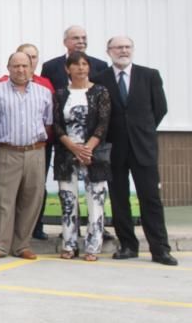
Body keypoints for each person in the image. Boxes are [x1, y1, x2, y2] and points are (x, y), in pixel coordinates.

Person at [94, 37, 177, 266]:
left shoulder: (149, 75)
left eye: (127, 47)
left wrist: (142, 131)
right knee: (119, 200)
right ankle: (128, 245)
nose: (123, 51)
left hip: (143, 148)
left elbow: (160, 108)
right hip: (114, 149)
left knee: (150, 199)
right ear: (109, 51)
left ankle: (160, 249)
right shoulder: (100, 79)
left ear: (132, 50)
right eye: (118, 47)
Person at [0, 52, 53, 260]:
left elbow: (48, 123)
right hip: (7, 151)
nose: (21, 70)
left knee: (31, 199)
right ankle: (0, 245)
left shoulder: (43, 93)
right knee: (3, 201)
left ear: (32, 67)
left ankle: (22, 245)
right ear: (8, 68)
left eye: (25, 66)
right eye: (16, 66)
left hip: (35, 152)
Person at [53, 51, 111, 262]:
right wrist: (73, 147)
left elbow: (103, 123)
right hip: (66, 154)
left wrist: (87, 149)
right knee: (68, 201)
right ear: (67, 69)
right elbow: (57, 125)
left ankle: (93, 247)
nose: (80, 68)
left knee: (95, 200)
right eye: (75, 65)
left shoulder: (100, 92)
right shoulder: (60, 93)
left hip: (94, 154)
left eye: (84, 64)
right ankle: (69, 244)